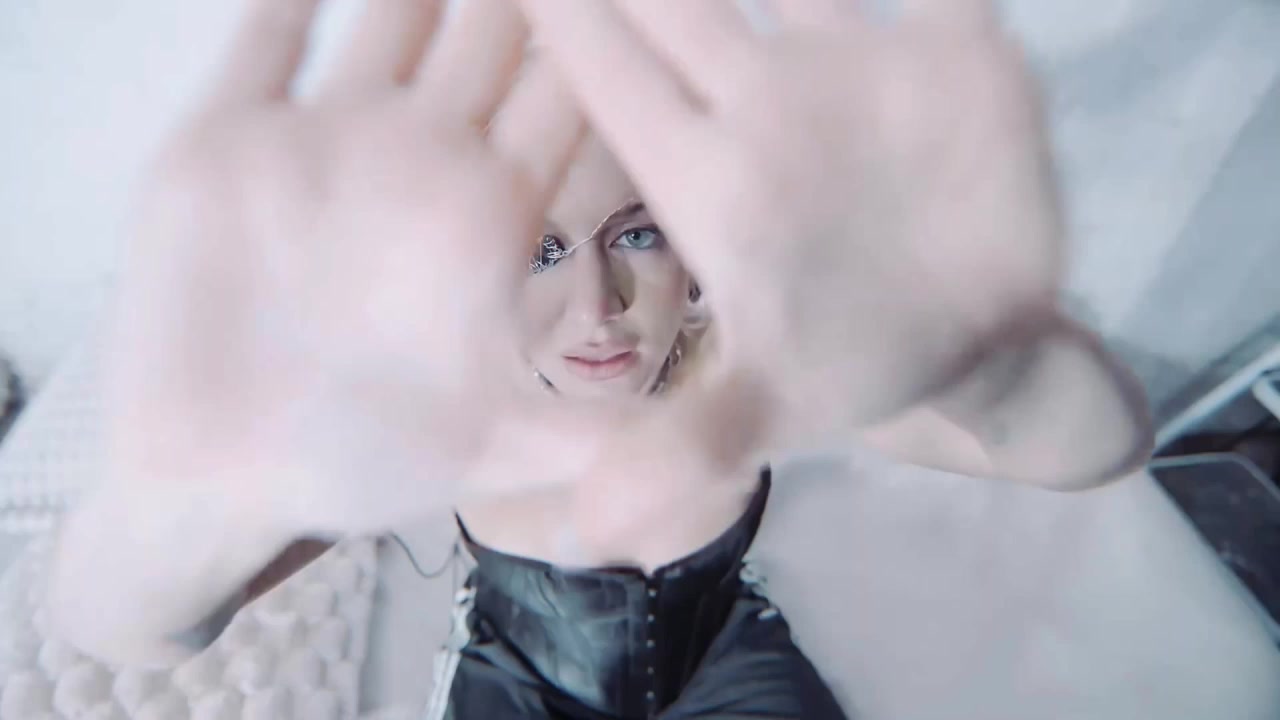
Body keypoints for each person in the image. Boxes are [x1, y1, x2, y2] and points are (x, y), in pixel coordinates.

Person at [45, 0, 1153, 717]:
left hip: (726, 662)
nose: (597, 308)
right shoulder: (436, 425)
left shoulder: (751, 384)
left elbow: (1088, 453)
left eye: (638, 234)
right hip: (515, 682)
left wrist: (990, 367)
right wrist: (188, 502)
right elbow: (122, 630)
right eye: (536, 251)